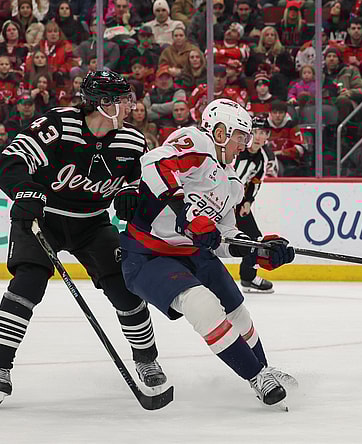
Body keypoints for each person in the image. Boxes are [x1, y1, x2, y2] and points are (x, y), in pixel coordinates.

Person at [0, 70, 167, 408]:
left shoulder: (133, 142)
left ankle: (146, 359)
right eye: (124, 100)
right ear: (104, 103)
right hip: (43, 217)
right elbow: (11, 161)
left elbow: (135, 182)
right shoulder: (59, 125)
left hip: (92, 224)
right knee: (28, 284)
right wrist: (25, 191)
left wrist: (129, 194)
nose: (131, 106)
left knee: (124, 289)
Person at [119, 99, 297, 408]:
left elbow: (223, 237)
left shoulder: (231, 182)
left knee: (236, 307)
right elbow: (152, 165)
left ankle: (263, 368)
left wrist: (256, 250)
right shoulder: (195, 143)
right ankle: (256, 376)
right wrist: (186, 216)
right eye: (241, 136)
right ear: (220, 132)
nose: (245, 144)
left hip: (192, 254)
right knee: (200, 303)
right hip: (147, 253)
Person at [233, 116, 278, 293]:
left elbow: (255, 181)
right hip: (218, 201)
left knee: (255, 240)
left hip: (237, 203)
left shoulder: (262, 158)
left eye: (263, 133)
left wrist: (248, 201)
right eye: (256, 132)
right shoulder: (236, 150)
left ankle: (248, 276)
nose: (259, 136)